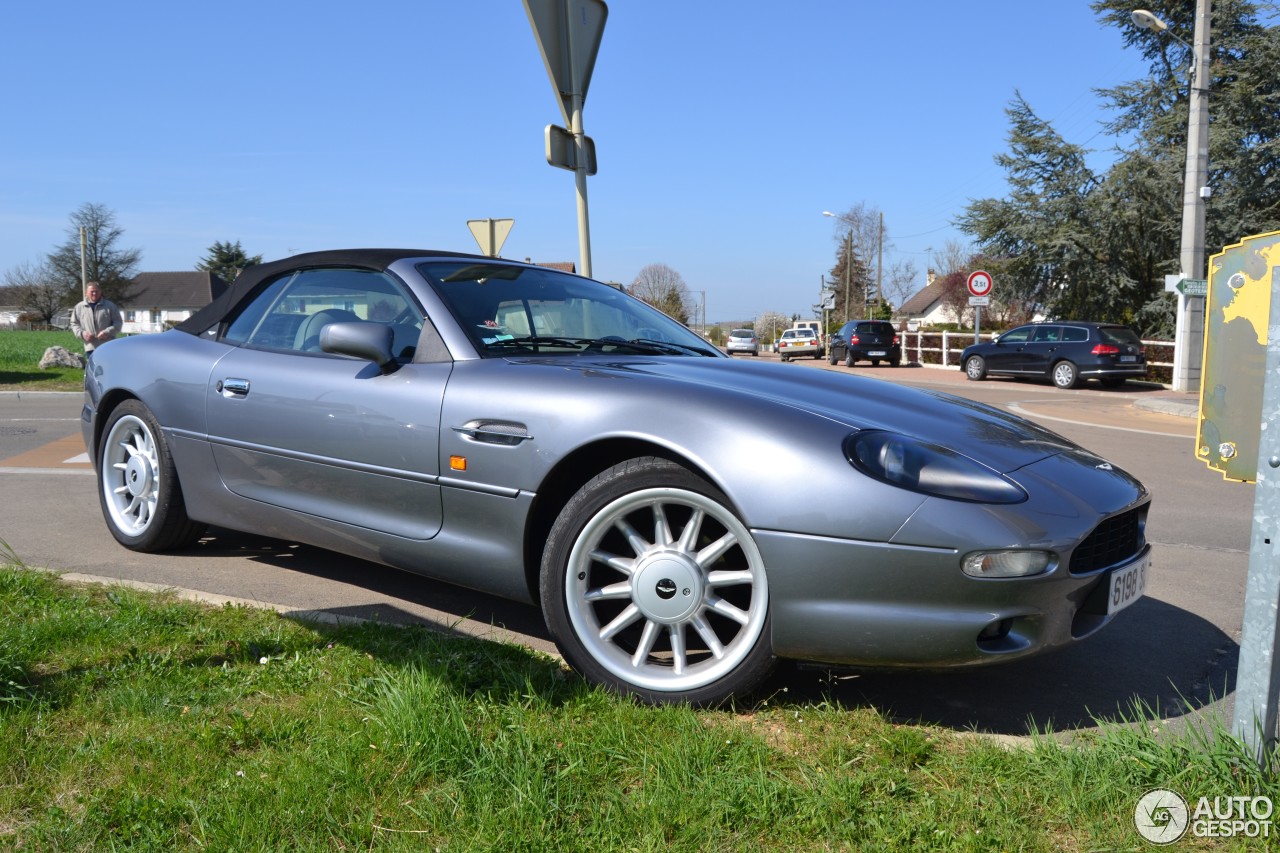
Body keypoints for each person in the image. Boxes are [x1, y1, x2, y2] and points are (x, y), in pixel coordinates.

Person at [70, 281, 123, 357]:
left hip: (108, 346)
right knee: (94, 368)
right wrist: (82, 334)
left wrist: (107, 332)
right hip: (90, 347)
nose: (94, 293)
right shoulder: (79, 307)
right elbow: (74, 324)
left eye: (96, 291)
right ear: (86, 293)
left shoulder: (110, 306)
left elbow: (118, 323)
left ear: (100, 292)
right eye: (92, 291)